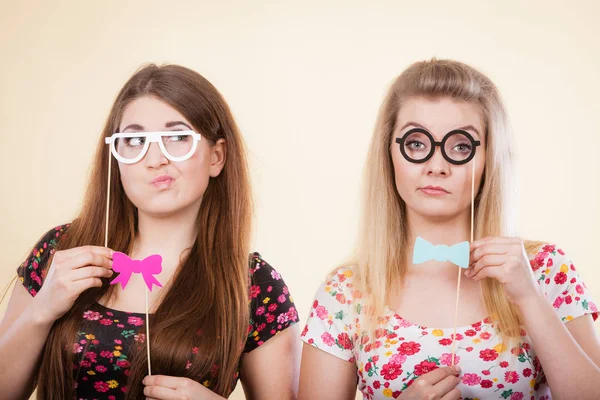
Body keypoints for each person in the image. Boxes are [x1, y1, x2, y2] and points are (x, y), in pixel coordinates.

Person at [298, 59, 600, 400]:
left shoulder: (544, 270)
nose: (436, 166)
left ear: (490, 159)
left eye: (461, 146)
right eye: (415, 143)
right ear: (388, 154)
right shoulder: (346, 293)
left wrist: (529, 298)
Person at [0, 64, 300, 400]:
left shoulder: (255, 287)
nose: (155, 159)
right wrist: (41, 310)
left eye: (177, 137)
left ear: (217, 156)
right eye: (135, 140)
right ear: (116, 157)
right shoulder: (61, 250)